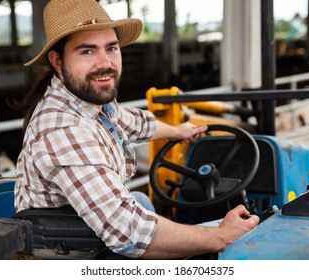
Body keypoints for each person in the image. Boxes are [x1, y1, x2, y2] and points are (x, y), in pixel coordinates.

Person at [14, 0, 259, 259]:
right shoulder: (63, 130)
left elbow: (132, 121)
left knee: (142, 202)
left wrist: (178, 132)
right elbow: (129, 232)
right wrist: (221, 236)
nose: (105, 63)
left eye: (111, 48)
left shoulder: (90, 98)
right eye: (87, 51)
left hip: (87, 231)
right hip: (67, 253)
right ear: (57, 62)